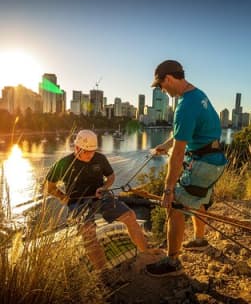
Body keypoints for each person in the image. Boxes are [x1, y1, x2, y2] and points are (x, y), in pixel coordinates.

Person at [146, 60, 227, 277]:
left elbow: (179, 155)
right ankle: (200, 240)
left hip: (203, 164)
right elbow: (187, 133)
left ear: (169, 79)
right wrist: (165, 145)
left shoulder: (184, 106)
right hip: (216, 161)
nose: (162, 90)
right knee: (199, 200)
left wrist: (168, 189)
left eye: (161, 85)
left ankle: (172, 262)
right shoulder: (198, 94)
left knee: (174, 206)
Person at [44, 129, 149, 286]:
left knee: (130, 215)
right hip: (78, 202)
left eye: (92, 151)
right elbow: (49, 187)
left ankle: (146, 256)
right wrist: (64, 199)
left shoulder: (100, 158)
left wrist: (105, 187)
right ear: (77, 148)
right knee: (88, 231)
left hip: (101, 196)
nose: (90, 155)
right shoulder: (64, 163)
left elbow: (111, 177)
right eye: (86, 152)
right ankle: (103, 273)